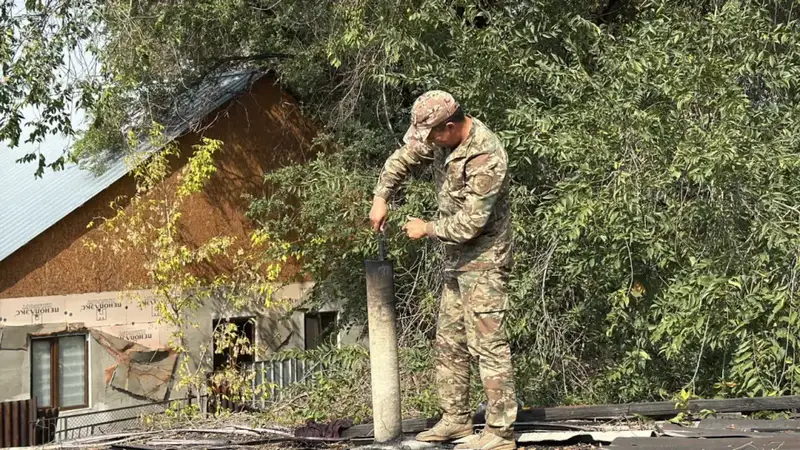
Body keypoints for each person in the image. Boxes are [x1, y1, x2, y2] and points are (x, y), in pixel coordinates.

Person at [369, 90, 517, 450]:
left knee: (488, 345)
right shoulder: (441, 139)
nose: (429, 143)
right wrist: (381, 195)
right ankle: (456, 420)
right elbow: (405, 157)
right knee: (450, 342)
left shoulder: (487, 156)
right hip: (455, 260)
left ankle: (499, 433)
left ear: (449, 127)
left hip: (484, 260)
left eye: (433, 136)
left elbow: (472, 223)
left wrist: (428, 228)